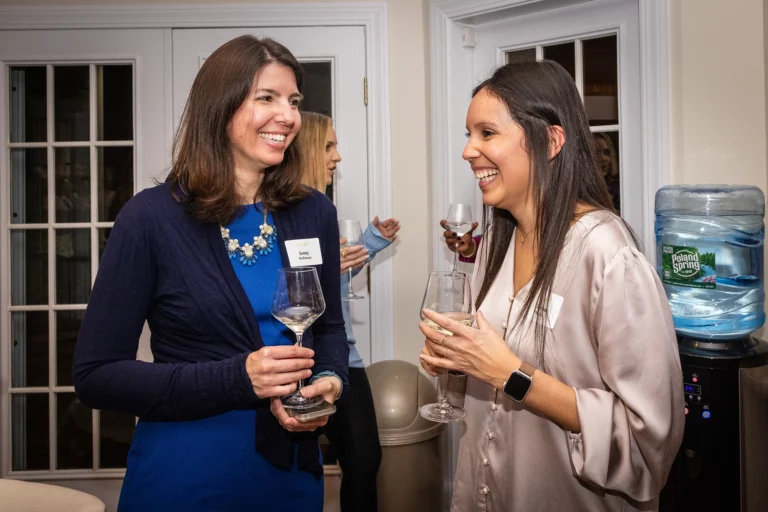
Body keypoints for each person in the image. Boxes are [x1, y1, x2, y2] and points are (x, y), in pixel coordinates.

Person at [73, 36, 348, 512]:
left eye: (293, 101)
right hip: (185, 477)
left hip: (289, 477)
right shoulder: (150, 219)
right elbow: (97, 376)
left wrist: (329, 379)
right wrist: (237, 379)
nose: (287, 115)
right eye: (266, 98)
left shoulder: (314, 212)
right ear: (219, 108)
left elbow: (328, 327)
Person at [419, 60, 684, 511]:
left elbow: (648, 440)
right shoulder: (495, 246)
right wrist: (460, 364)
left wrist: (511, 375)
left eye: (486, 133)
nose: (467, 151)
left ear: (551, 141)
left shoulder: (607, 255)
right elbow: (491, 378)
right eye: (468, 134)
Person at [295, 110, 400, 511]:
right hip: (302, 359)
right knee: (304, 464)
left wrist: (371, 242)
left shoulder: (322, 210)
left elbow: (333, 273)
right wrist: (327, 265)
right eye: (328, 146)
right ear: (305, 150)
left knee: (364, 459)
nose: (337, 157)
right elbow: (291, 288)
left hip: (344, 358)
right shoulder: (287, 215)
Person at [594, 131, 621, 211]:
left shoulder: (618, 187)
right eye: (596, 152)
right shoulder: (578, 187)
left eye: (607, 152)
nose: (604, 158)